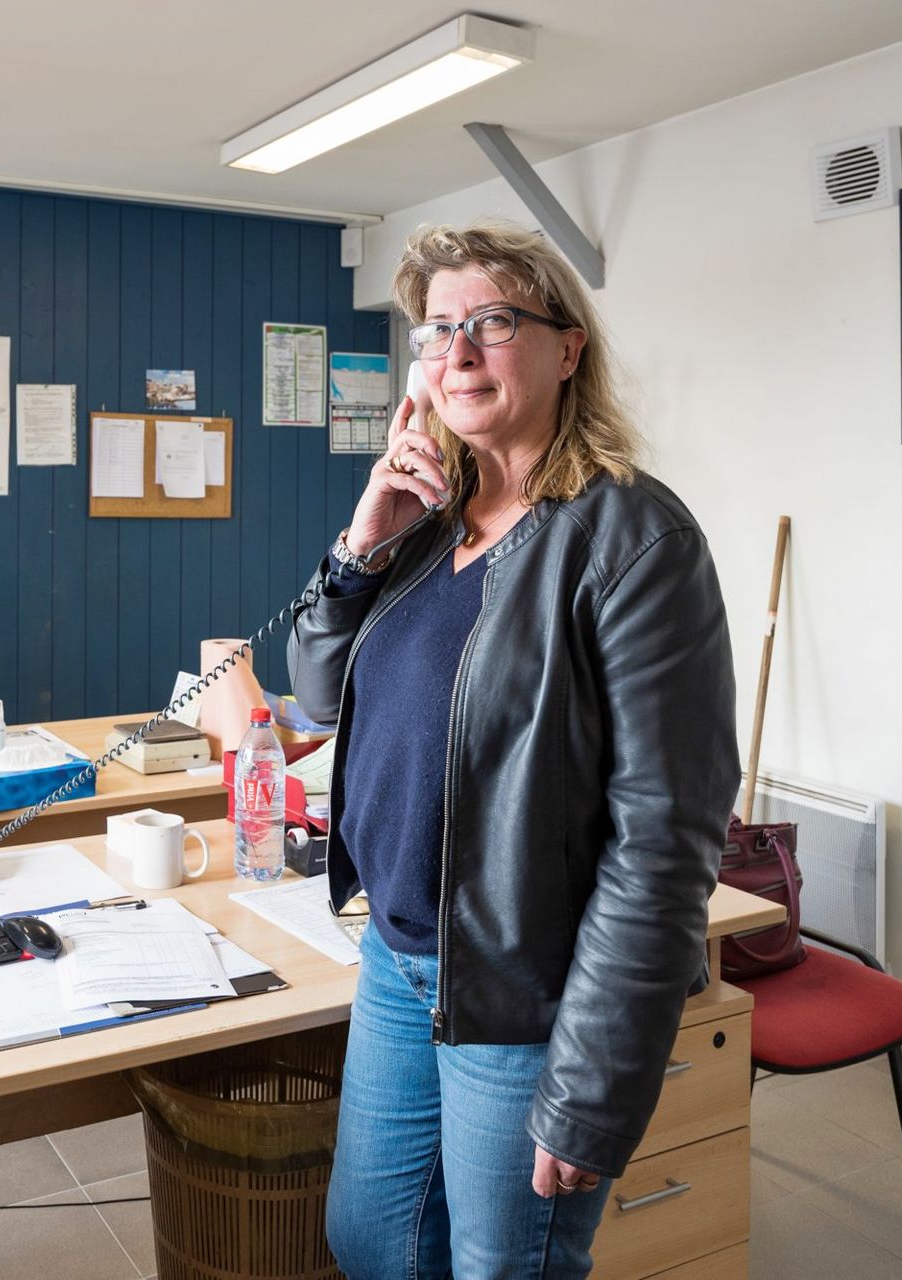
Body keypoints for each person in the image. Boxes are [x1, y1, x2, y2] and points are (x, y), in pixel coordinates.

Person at [287, 221, 740, 1279]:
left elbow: (664, 838)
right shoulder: (425, 521)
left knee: (507, 1265)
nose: (458, 354)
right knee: (374, 1243)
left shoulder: (634, 539)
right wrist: (362, 540)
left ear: (568, 348)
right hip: (398, 960)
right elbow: (313, 697)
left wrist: (593, 1083)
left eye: (492, 322)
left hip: (522, 981)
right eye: (438, 331)